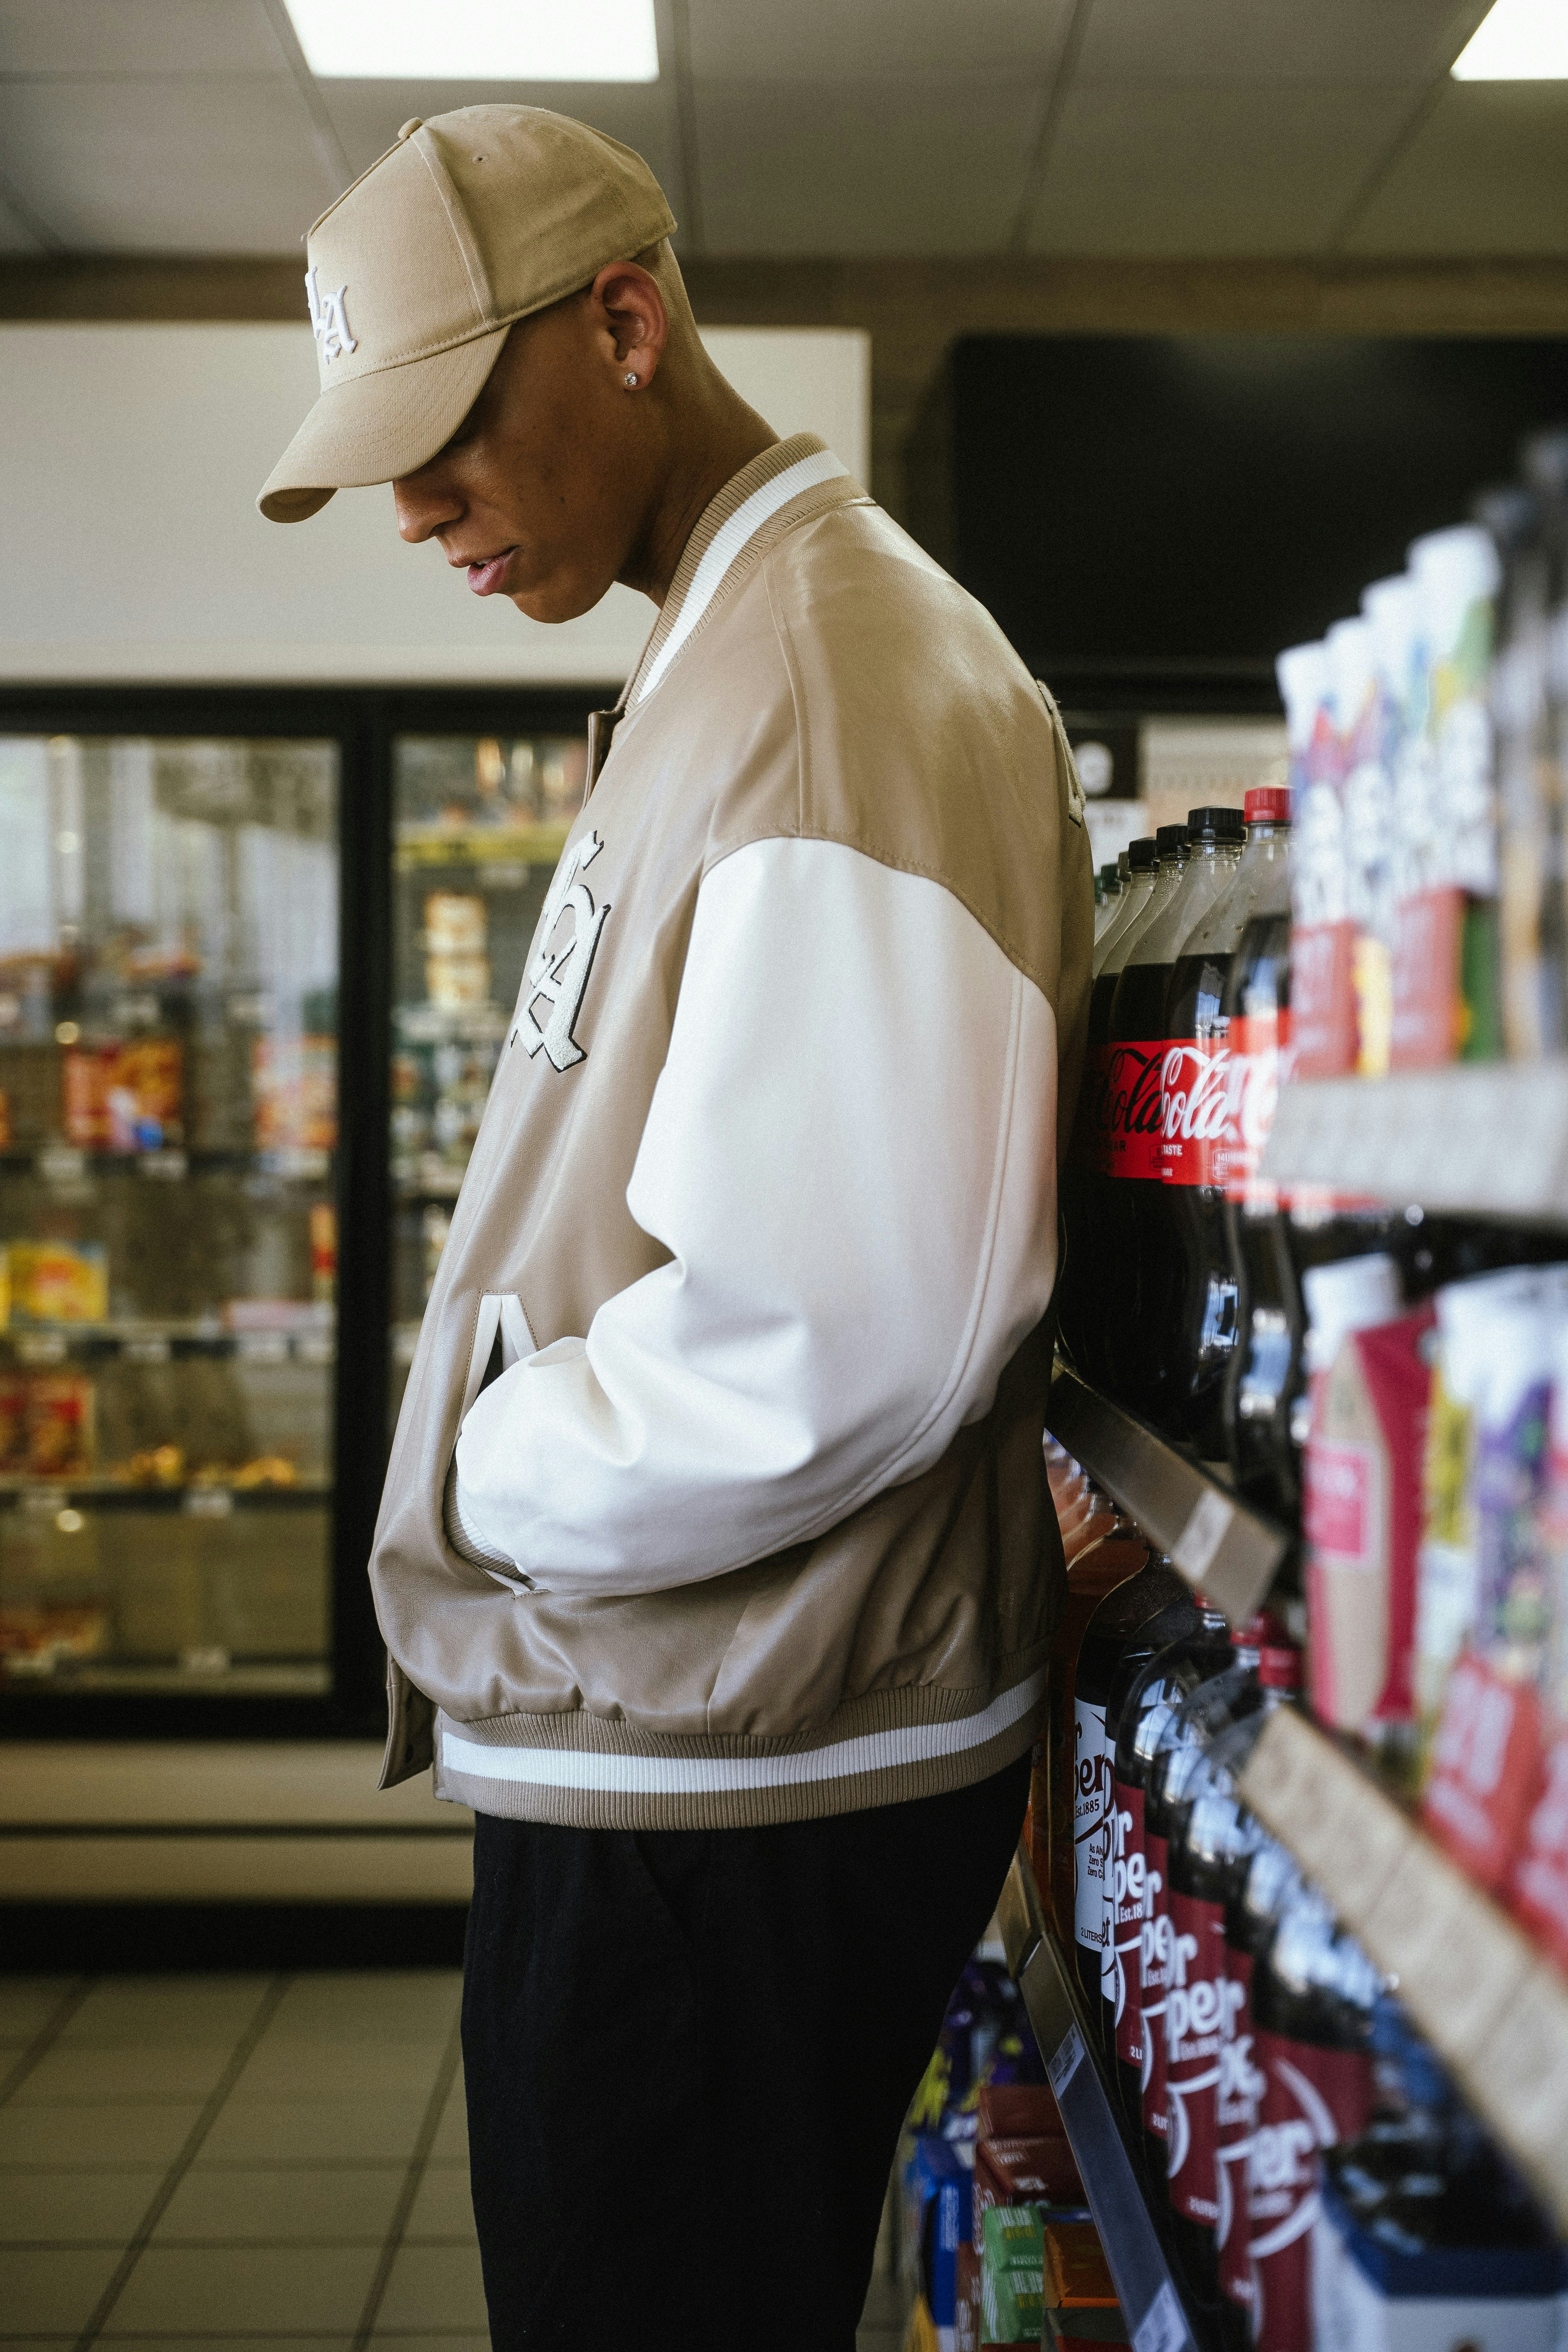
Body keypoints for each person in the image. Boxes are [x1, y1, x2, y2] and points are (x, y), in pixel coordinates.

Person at [259, 104, 1093, 2352]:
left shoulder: (823, 676)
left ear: (623, 322)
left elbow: (851, 1326)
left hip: (720, 1785)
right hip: (687, 1741)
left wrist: (482, 1467)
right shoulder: (747, 649)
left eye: (439, 433)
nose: (415, 505)